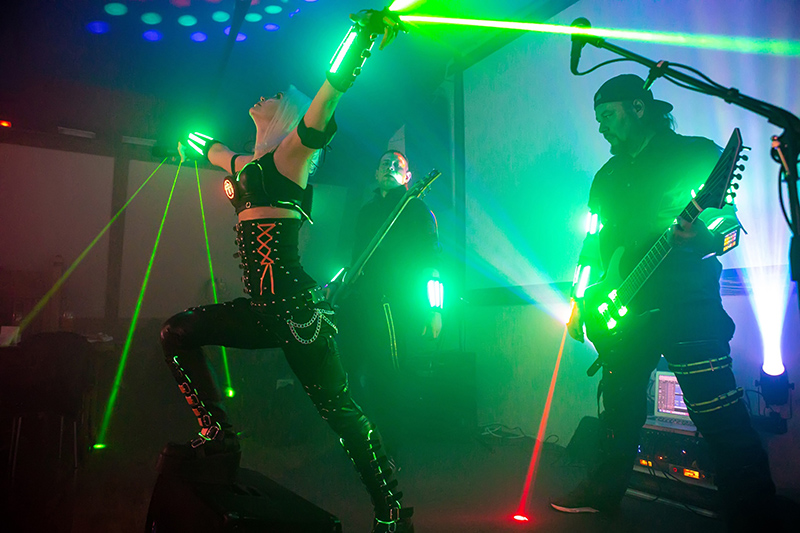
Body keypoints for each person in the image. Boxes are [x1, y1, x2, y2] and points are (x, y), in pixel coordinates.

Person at [158, 10, 413, 533]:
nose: (262, 95)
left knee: (340, 412)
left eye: (274, 95)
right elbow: (213, 149)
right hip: (259, 310)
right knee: (176, 331)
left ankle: (390, 507)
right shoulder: (246, 167)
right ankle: (219, 435)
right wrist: (185, 141)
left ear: (287, 114)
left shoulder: (290, 158)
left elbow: (329, 95)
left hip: (297, 314)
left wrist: (360, 40)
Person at [550, 74, 779, 531]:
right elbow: (591, 245)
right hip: (623, 313)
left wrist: (703, 237)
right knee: (618, 410)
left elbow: (731, 229)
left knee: (719, 415)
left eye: (608, 115)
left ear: (639, 108)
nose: (602, 126)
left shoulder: (695, 154)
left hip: (687, 308)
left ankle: (756, 514)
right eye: (598, 118)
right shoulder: (606, 177)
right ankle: (603, 492)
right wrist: (578, 299)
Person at [335, 150, 442, 444]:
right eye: (385, 163)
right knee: (346, 368)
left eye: (398, 165)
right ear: (376, 173)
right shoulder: (366, 212)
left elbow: (432, 263)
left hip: (395, 303)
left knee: (387, 373)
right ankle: (361, 437)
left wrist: (435, 310)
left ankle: (390, 447)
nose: (390, 166)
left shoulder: (418, 210)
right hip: (360, 302)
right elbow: (354, 257)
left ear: (408, 177)